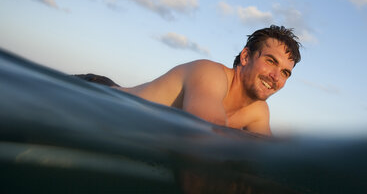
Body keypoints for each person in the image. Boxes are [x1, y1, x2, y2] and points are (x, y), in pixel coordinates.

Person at [117, 25, 301, 136]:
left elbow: (266, 156)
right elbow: (206, 133)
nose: (276, 77)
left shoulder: (258, 111)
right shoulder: (210, 74)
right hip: (113, 101)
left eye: (285, 72)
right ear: (246, 57)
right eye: (270, 61)